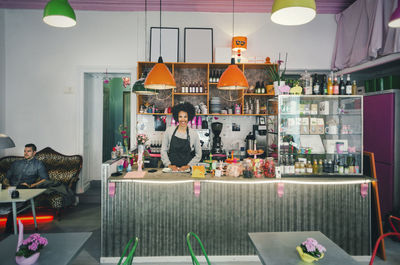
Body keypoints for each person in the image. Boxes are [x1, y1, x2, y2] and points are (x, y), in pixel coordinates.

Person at [2, 143, 49, 233]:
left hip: (24, 188)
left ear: (34, 152)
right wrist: (8, 186)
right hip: (11, 188)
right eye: (25, 151)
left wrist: (31, 185)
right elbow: (6, 177)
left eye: (28, 151)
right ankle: (6, 206)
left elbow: (45, 179)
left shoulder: (38, 164)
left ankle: (8, 229)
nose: (26, 153)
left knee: (16, 197)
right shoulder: (16, 163)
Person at [161, 102, 202, 171]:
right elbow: (163, 150)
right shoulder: (169, 131)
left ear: (189, 117)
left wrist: (188, 166)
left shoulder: (193, 134)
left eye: (185, 117)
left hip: (186, 170)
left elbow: (199, 154)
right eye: (180, 117)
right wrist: (169, 165)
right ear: (177, 117)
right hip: (171, 170)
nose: (183, 119)